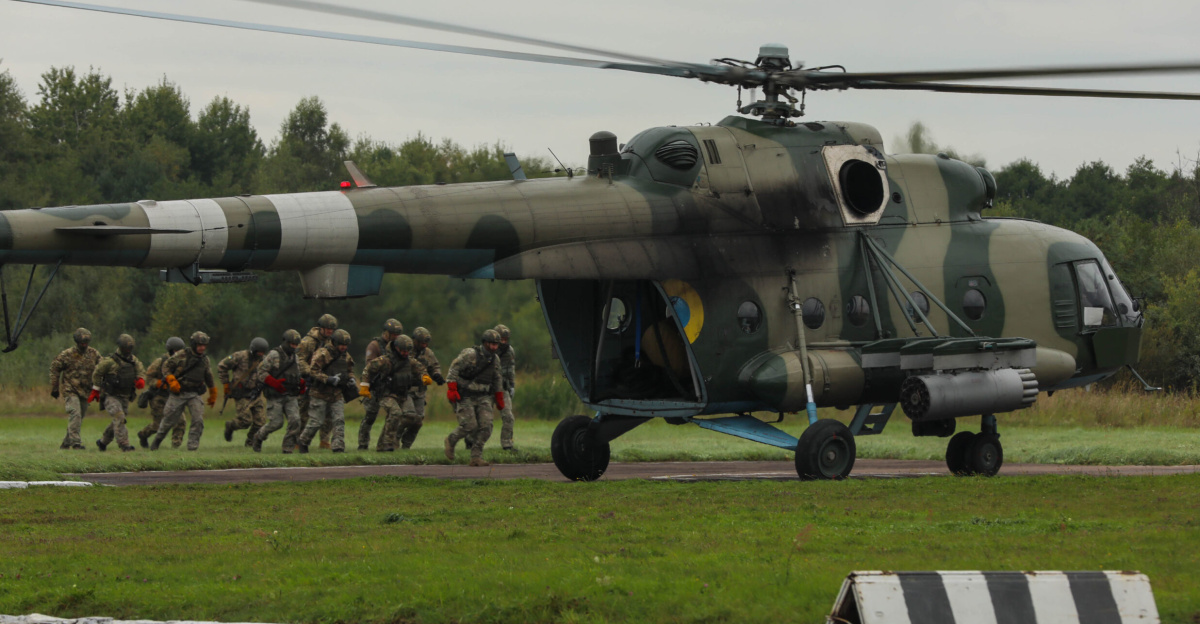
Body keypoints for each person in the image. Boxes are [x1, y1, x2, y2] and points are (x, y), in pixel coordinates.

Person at [443, 329, 505, 467]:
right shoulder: (470, 354)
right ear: (485, 343)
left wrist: (499, 396)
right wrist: (452, 388)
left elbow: (497, 378)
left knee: (486, 426)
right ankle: (451, 440)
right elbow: (454, 368)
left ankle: (476, 456)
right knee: (469, 426)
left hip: (483, 396)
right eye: (491, 344)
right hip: (466, 394)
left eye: (496, 344)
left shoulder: (495, 360)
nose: (494, 347)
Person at [151, 331, 217, 451]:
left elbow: (208, 375)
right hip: (178, 393)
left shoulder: (204, 360)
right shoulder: (181, 355)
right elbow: (166, 366)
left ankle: (192, 446)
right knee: (168, 420)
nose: (202, 348)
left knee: (198, 419)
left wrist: (213, 392)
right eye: (199, 345)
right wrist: (171, 379)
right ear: (193, 344)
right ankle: (157, 441)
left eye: (204, 345)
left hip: (194, 394)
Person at [361, 335, 427, 453]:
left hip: (402, 395)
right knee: (395, 413)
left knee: (409, 417)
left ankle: (381, 446)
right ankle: (387, 444)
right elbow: (368, 369)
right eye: (403, 351)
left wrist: (424, 376)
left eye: (407, 351)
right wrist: (364, 387)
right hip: (385, 393)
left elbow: (420, 368)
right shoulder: (385, 361)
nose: (405, 353)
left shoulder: (410, 361)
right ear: (396, 348)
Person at [298, 329, 354, 453]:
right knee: (316, 422)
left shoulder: (346, 356)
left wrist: (351, 379)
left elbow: (349, 370)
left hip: (337, 394)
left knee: (339, 420)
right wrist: (328, 379)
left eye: (345, 345)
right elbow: (313, 371)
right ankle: (303, 441)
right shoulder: (322, 354)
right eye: (341, 344)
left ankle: (338, 446)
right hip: (319, 393)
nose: (343, 347)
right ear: (334, 342)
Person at [252, 330, 305, 453]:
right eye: (292, 344)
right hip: (275, 395)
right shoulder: (274, 355)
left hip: (290, 395)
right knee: (276, 423)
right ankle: (258, 436)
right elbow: (261, 372)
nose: (294, 347)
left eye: (296, 344)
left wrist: (300, 383)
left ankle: (287, 448)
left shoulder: (295, 357)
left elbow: (295, 374)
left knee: (295, 421)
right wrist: (273, 382)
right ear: (286, 342)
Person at [49, 327, 101, 450]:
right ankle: (76, 443)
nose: (84, 344)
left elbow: (102, 367)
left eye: (86, 341)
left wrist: (99, 386)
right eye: (82, 341)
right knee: (75, 413)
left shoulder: (94, 354)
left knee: (78, 417)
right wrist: (55, 387)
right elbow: (54, 368)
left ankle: (66, 443)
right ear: (77, 341)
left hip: (85, 391)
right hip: (70, 389)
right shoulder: (67, 354)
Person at [92, 334, 146, 452]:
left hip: (125, 396)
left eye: (130, 349)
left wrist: (140, 379)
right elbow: (97, 373)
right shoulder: (109, 362)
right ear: (120, 347)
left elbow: (140, 370)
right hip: (110, 396)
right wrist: (95, 389)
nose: (128, 351)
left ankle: (102, 442)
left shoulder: (133, 361)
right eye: (126, 348)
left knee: (118, 420)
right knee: (119, 417)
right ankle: (124, 444)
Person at [358, 318, 403, 450]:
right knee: (370, 416)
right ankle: (362, 443)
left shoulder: (398, 347)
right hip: (375, 387)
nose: (396, 337)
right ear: (387, 333)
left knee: (393, 414)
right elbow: (370, 365)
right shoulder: (375, 346)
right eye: (394, 334)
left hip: (389, 388)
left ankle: (385, 442)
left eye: (398, 335)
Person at [217, 337, 269, 446]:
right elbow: (222, 366)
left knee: (261, 422)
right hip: (241, 394)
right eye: (258, 352)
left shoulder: (264, 361)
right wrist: (226, 384)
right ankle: (231, 426)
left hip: (256, 394)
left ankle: (251, 442)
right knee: (245, 421)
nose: (260, 354)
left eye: (262, 352)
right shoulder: (240, 356)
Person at [137, 337, 186, 448]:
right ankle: (143, 434)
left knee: (181, 421)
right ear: (171, 350)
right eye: (176, 350)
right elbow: (148, 377)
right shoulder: (160, 361)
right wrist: (158, 383)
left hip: (174, 396)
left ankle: (176, 446)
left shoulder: (183, 362)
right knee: (158, 425)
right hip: (158, 396)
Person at [297, 313, 337, 449]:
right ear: (321, 328)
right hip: (308, 380)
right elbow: (300, 360)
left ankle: (324, 440)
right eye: (328, 329)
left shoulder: (331, 342)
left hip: (324, 380)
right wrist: (311, 372)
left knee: (328, 412)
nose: (330, 332)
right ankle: (298, 439)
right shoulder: (307, 342)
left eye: (332, 330)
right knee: (304, 412)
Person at [403, 326, 444, 449]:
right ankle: (394, 437)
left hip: (420, 391)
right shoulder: (405, 351)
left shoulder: (428, 353)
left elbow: (435, 366)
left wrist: (437, 375)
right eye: (422, 343)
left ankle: (406, 445)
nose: (424, 345)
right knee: (409, 416)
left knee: (418, 421)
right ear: (414, 340)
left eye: (426, 343)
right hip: (406, 390)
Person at [494, 324, 518, 451]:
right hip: (487, 387)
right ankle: (471, 441)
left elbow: (511, 369)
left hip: (503, 387)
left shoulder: (509, 351)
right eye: (501, 339)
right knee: (481, 418)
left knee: (508, 416)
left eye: (505, 339)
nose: (503, 342)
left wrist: (512, 385)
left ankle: (507, 444)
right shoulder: (488, 350)